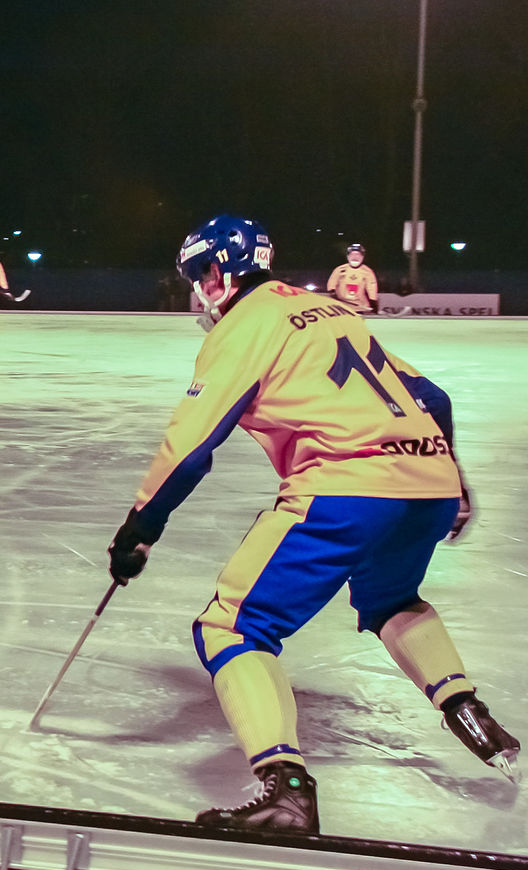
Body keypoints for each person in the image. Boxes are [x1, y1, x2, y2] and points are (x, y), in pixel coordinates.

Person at [106, 214, 518, 834]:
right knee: (392, 599)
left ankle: (287, 791)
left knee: (232, 628)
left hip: (346, 487)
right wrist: (452, 479)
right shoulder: (329, 311)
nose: (198, 290)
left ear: (218, 273)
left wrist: (140, 526)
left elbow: (191, 448)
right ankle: (469, 714)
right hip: (428, 480)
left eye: (198, 276)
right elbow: (433, 397)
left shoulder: (244, 325)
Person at [325, 243, 379, 314]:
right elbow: (331, 284)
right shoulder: (340, 269)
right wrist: (332, 293)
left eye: (358, 255)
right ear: (348, 256)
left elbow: (372, 289)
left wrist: (374, 304)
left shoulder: (367, 272)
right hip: (341, 306)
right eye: (352, 254)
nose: (355, 257)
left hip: (360, 307)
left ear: (362, 257)